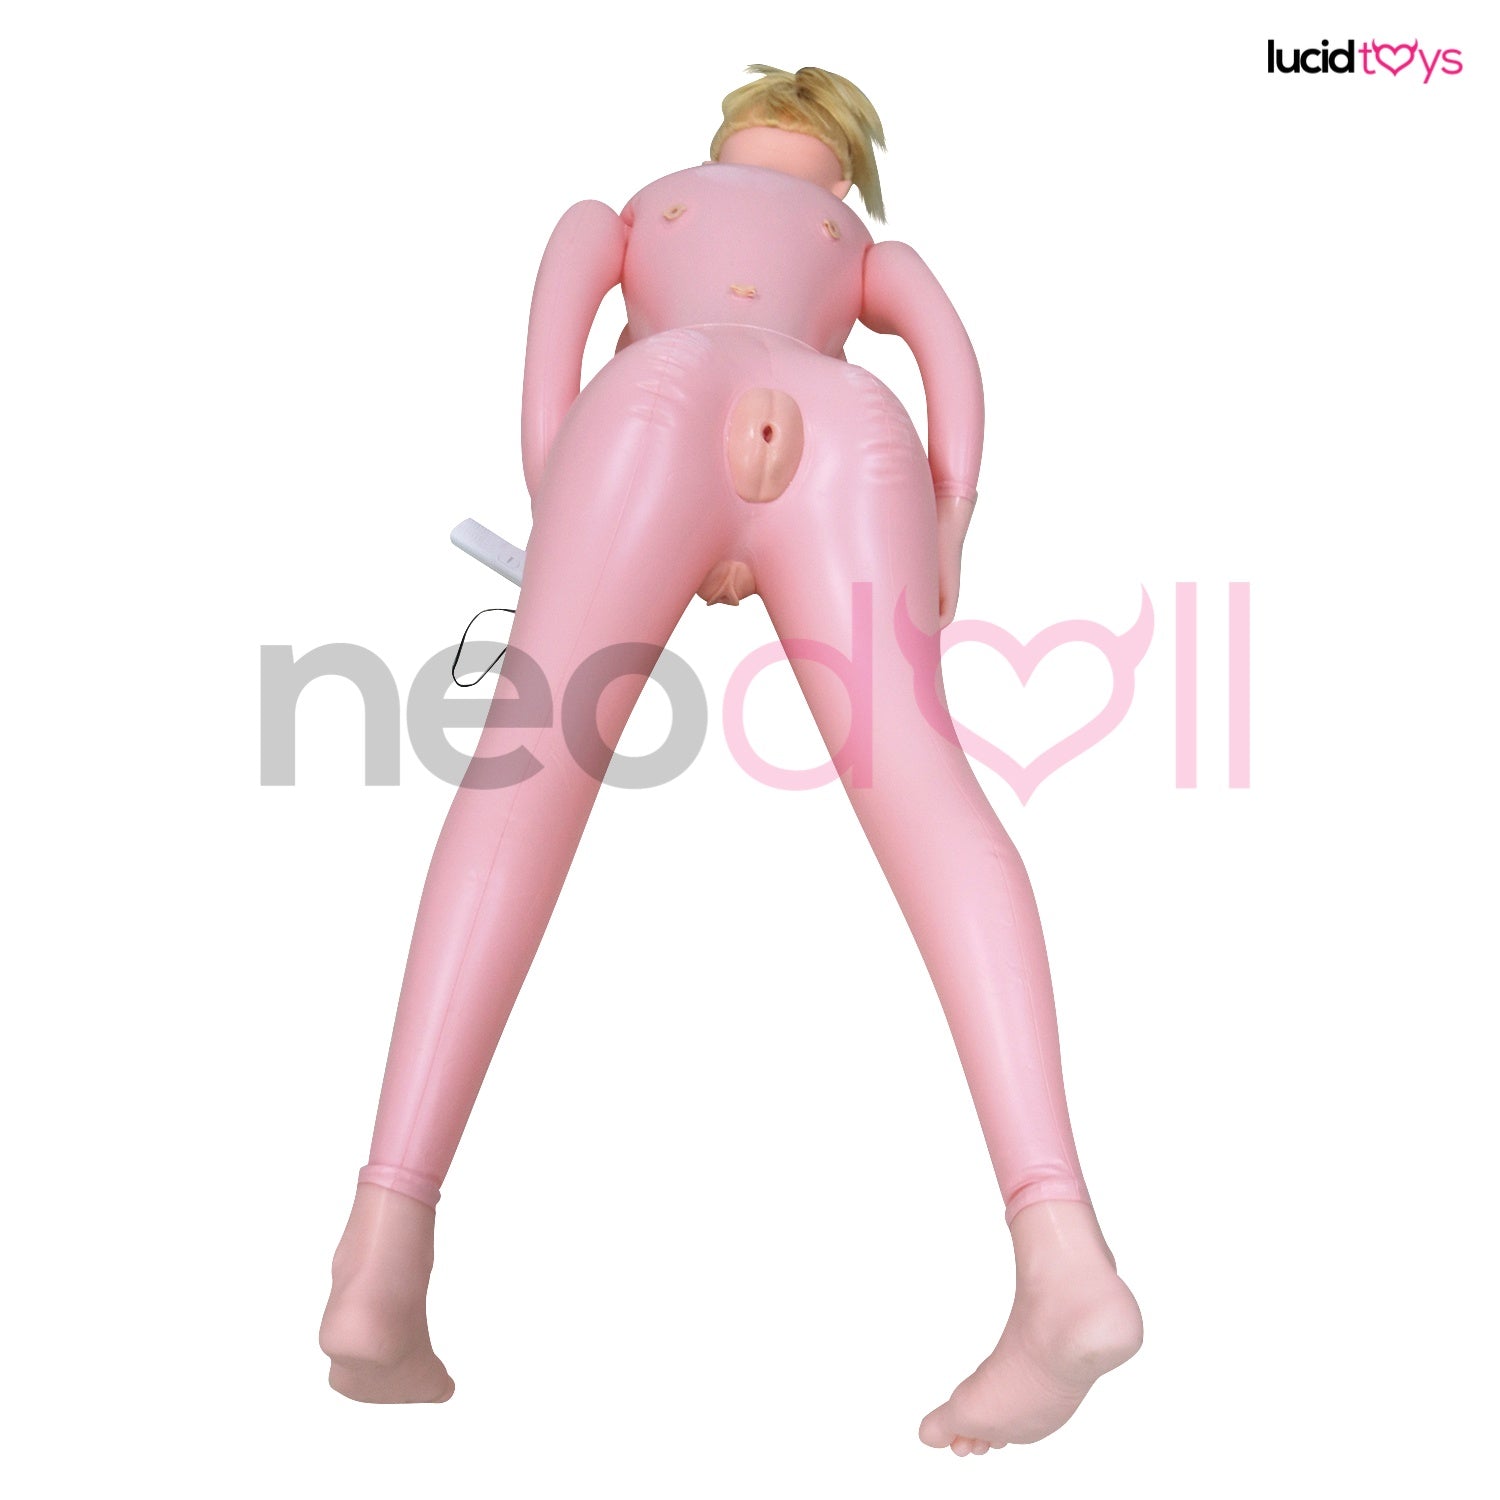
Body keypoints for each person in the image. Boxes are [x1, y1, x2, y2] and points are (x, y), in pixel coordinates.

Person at [319, 64, 1142, 1454]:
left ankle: (382, 1251)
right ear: (843, 171)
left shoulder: (634, 211)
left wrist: (573, 497)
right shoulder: (863, 252)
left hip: (653, 401)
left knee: (530, 771)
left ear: (725, 147)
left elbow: (553, 341)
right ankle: (1065, 1254)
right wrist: (950, 521)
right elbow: (946, 354)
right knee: (929, 794)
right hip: (849, 426)